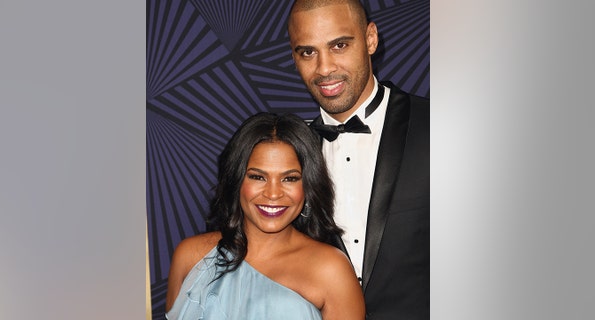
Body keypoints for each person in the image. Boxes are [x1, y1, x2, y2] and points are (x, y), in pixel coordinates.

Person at [288, 1, 430, 319]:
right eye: (307, 52)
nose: (324, 68)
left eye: (339, 45)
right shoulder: (286, 153)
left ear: (370, 39)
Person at [165, 112, 365, 319]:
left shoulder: (331, 270)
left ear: (308, 186)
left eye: (289, 179)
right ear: (237, 181)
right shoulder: (190, 256)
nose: (273, 193)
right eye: (258, 177)